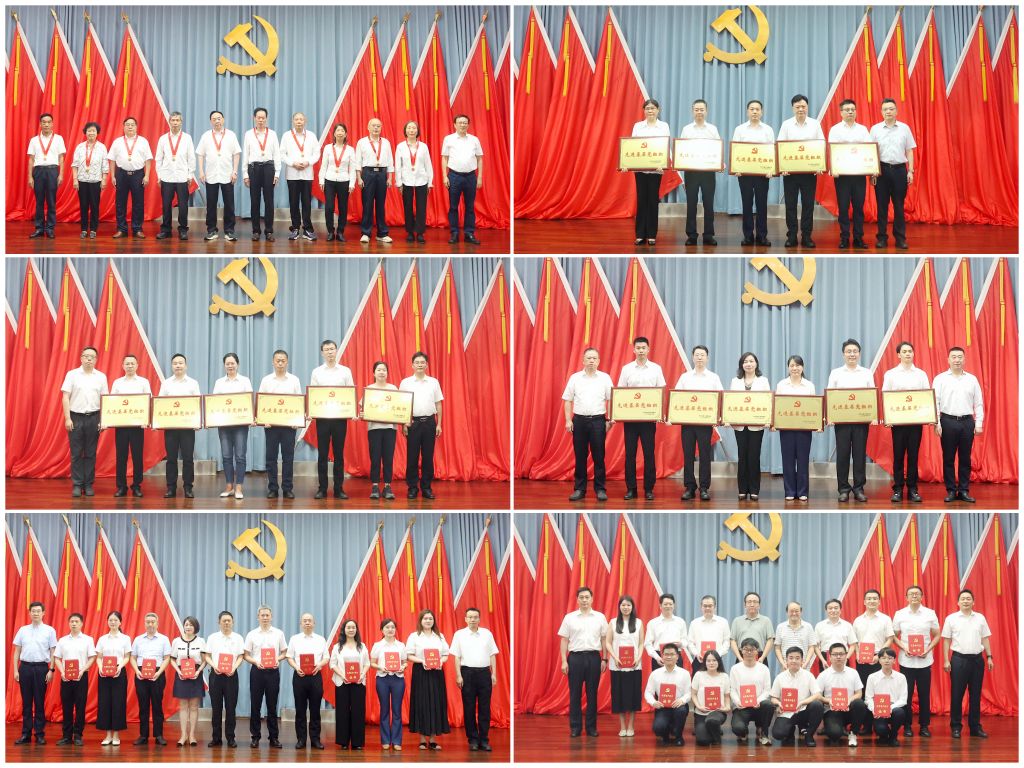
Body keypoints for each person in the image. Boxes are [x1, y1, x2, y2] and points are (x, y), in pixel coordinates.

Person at [616, 336, 666, 500]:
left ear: (648, 349)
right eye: (638, 348)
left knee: (649, 454)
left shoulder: (656, 368)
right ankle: (631, 489)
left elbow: (661, 392)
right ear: (634, 350)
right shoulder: (626, 369)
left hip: (648, 420)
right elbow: (620, 392)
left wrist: (660, 413)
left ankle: (649, 489)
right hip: (630, 420)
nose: (641, 350)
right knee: (630, 454)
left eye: (643, 348)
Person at [933, 346, 984, 503]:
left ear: (964, 359)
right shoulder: (940, 379)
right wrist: (937, 423)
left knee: (965, 458)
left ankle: (963, 490)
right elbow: (935, 402)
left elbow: (978, 403)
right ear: (948, 360)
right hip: (947, 421)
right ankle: (950, 490)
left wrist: (979, 422)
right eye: (954, 357)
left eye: (960, 357)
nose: (957, 360)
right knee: (948, 458)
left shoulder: (972, 379)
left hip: (967, 422)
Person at [941, 589, 994, 739]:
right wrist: (946, 660)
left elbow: (985, 638)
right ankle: (956, 727)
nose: (966, 601)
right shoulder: (951, 619)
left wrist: (989, 657)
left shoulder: (980, 618)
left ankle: (975, 727)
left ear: (973, 602)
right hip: (959, 660)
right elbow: (946, 641)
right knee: (957, 695)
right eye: (963, 599)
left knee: (976, 695)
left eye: (968, 598)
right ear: (958, 602)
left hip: (977, 660)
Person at [882, 341, 930, 502]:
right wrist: (888, 418)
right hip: (898, 422)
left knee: (913, 456)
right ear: (898, 355)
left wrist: (928, 416)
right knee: (898, 456)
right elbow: (886, 396)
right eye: (904, 351)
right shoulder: (891, 374)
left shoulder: (921, 374)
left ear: (913, 353)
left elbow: (926, 396)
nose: (908, 354)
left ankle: (912, 489)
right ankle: (897, 489)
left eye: (910, 351)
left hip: (916, 422)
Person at [563, 348, 613, 501]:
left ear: (598, 361)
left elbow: (612, 399)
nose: (591, 360)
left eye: (594, 358)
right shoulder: (575, 378)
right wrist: (568, 420)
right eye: (589, 358)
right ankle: (579, 489)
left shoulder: (605, 378)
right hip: (579, 421)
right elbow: (567, 400)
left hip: (598, 421)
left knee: (599, 456)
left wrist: (609, 420)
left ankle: (600, 489)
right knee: (580, 456)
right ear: (583, 360)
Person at [828, 338, 875, 502]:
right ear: (843, 354)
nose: (852, 354)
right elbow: (830, 395)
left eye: (855, 351)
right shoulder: (836, 373)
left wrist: (872, 416)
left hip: (861, 422)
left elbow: (871, 396)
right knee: (842, 455)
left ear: (859, 354)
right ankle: (843, 489)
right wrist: (830, 416)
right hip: (841, 422)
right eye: (849, 351)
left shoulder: (866, 373)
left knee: (859, 455)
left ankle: (859, 488)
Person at [558, 586, 608, 737]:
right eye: (582, 597)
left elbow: (604, 639)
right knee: (575, 694)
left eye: (587, 597)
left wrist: (604, 658)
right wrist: (563, 661)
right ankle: (575, 727)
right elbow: (564, 640)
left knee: (592, 694)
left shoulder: (600, 617)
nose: (584, 600)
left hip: (594, 658)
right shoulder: (569, 617)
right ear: (577, 600)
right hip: (575, 658)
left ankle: (591, 728)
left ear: (592, 599)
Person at [675, 345, 723, 500]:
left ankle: (704, 488)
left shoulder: (713, 377)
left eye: (702, 355)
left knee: (705, 455)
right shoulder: (685, 377)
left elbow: (720, 398)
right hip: (687, 423)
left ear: (707, 358)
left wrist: (718, 417)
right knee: (688, 455)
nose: (700, 357)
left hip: (705, 424)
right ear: (693, 357)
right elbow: (676, 397)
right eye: (697, 355)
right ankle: (689, 487)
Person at [777, 94, 824, 248]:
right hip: (790, 173)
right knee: (790, 205)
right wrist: (782, 167)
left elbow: (821, 144)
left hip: (809, 173)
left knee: (808, 205)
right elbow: (780, 145)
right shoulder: (786, 125)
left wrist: (819, 164)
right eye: (797, 107)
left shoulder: (815, 124)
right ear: (793, 108)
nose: (801, 109)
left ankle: (807, 236)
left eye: (803, 106)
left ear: (807, 107)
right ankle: (791, 236)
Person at [892, 585, 939, 738]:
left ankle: (924, 726)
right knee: (906, 695)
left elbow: (937, 635)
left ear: (922, 596)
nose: (914, 596)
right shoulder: (899, 614)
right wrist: (904, 647)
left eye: (917, 594)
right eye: (911, 594)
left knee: (924, 694)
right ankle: (907, 726)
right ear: (906, 597)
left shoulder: (930, 613)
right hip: (906, 661)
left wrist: (928, 649)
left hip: (925, 661)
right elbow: (894, 636)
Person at [61, 346, 108, 497]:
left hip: (94, 418)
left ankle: (88, 484)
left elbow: (105, 400)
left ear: (96, 359)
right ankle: (77, 484)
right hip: (75, 417)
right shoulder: (72, 374)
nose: (89, 359)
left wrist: (103, 420)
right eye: (86, 356)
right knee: (76, 453)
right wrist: (67, 418)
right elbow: (65, 397)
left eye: (92, 357)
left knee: (90, 453)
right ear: (81, 358)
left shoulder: (101, 377)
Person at [451, 607, 500, 752]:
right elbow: (456, 657)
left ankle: (484, 739)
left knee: (485, 707)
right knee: (469, 707)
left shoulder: (487, 634)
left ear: (479, 619)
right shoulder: (459, 635)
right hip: (467, 673)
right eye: (470, 617)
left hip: (484, 673)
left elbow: (492, 654)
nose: (473, 619)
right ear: (465, 619)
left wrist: (494, 673)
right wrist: (458, 675)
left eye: (475, 617)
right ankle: (472, 739)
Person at [310, 339, 354, 499]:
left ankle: (338, 488)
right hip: (322, 418)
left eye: (332, 349)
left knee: (338, 454)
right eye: (327, 349)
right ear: (322, 353)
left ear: (336, 351)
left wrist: (352, 410)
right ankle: (322, 488)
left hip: (339, 419)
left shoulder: (345, 371)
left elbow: (351, 392)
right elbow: (313, 394)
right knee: (322, 454)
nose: (330, 352)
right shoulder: (317, 372)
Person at [870, 98, 916, 249]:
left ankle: (900, 238)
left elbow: (909, 151)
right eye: (885, 109)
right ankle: (881, 238)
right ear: (881, 112)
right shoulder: (875, 129)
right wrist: (872, 172)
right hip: (881, 171)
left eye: (891, 109)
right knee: (882, 206)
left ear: (896, 111)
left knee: (899, 206)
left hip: (899, 171)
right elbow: (871, 151)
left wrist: (910, 171)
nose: (888, 111)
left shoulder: (904, 128)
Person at [12, 601, 57, 746]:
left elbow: (53, 652)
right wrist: (15, 670)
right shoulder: (23, 630)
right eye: (33, 611)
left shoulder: (50, 630)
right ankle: (25, 734)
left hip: (41, 668)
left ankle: (39, 734)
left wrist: (51, 670)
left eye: (38, 611)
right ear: (29, 613)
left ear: (43, 613)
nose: (36, 613)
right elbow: (17, 652)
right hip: (24, 668)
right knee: (26, 703)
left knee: (39, 702)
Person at [259, 349, 302, 499]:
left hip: (289, 426)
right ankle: (272, 488)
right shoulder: (266, 380)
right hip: (271, 426)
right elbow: (261, 402)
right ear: (273, 362)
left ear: (287, 362)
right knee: (271, 458)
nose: (280, 363)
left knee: (288, 458)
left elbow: (299, 402)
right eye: (277, 360)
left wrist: (297, 420)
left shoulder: (294, 380)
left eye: (283, 360)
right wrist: (263, 420)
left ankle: (287, 488)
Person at [828, 99, 871, 249]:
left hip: (859, 174)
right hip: (842, 175)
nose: (850, 112)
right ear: (841, 112)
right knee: (843, 207)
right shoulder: (835, 130)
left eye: (853, 109)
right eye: (847, 110)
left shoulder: (863, 130)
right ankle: (844, 238)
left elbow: (868, 149)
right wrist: (834, 168)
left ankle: (858, 238)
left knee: (859, 207)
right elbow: (833, 151)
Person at [400, 352, 444, 499]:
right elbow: (402, 404)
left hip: (430, 423)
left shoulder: (433, 382)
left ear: (426, 365)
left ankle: (426, 488)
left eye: (422, 362)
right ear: (412, 365)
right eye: (417, 362)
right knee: (412, 457)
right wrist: (404, 424)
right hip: (412, 423)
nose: (420, 364)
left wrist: (439, 424)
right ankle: (412, 488)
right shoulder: (405, 383)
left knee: (428, 457)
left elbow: (438, 404)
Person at [732, 99, 775, 246]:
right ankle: (748, 235)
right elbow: (735, 150)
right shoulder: (740, 129)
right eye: (752, 109)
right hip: (744, 174)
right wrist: (736, 168)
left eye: (757, 109)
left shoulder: (768, 130)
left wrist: (771, 169)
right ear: (747, 112)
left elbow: (772, 151)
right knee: (747, 204)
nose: (755, 112)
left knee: (762, 204)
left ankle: (762, 236)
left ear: (761, 112)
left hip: (763, 174)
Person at [406, 609, 451, 750]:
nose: (428, 621)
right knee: (421, 703)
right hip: (421, 672)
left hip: (436, 673)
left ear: (434, 621)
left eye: (430, 618)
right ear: (420, 620)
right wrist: (422, 661)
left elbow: (445, 655)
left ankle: (432, 739)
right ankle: (421, 739)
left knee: (435, 703)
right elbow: (409, 655)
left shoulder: (440, 636)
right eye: (425, 618)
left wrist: (440, 662)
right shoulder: (414, 636)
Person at [244, 605, 287, 748]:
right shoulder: (251, 634)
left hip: (273, 672)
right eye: (262, 615)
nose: (265, 618)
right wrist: (256, 661)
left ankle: (273, 737)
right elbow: (246, 655)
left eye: (267, 615)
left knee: (272, 706)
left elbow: (284, 652)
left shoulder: (278, 633)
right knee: (255, 705)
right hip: (257, 672)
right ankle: (255, 737)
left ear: (271, 616)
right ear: (258, 617)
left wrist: (277, 659)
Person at [729, 352, 770, 500]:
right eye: (745, 361)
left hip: (756, 425)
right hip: (739, 425)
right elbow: (730, 402)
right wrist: (728, 419)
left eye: (751, 361)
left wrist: (768, 419)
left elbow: (768, 402)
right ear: (742, 365)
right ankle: (742, 489)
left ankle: (754, 489)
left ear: (756, 363)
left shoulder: (763, 381)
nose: (748, 364)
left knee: (754, 456)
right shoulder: (735, 381)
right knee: (742, 456)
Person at [109, 354, 152, 497]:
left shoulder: (143, 382)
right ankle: (121, 487)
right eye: (127, 363)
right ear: (123, 366)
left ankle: (137, 486)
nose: (130, 366)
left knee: (137, 456)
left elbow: (149, 401)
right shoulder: (117, 383)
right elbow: (111, 402)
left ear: (137, 365)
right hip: (121, 425)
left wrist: (146, 420)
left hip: (138, 425)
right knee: (121, 457)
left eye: (132, 363)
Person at [852, 589, 895, 733]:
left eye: (874, 598)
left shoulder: (885, 619)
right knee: (864, 691)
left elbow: (890, 638)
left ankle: (880, 722)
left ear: (879, 601)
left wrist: (880, 655)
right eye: (869, 598)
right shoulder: (858, 620)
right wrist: (858, 653)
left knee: (879, 690)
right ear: (864, 601)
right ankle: (866, 725)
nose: (872, 601)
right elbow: (854, 641)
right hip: (862, 660)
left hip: (879, 658)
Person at [629, 99, 670, 246]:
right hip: (640, 169)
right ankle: (640, 234)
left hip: (656, 170)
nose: (650, 111)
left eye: (653, 108)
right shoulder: (638, 126)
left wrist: (664, 164)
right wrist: (627, 164)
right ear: (644, 111)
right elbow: (632, 146)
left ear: (658, 110)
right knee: (641, 201)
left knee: (653, 201)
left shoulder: (664, 126)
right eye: (647, 108)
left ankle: (652, 235)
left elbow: (666, 146)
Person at [195, 109, 241, 241]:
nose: (217, 121)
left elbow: (236, 153)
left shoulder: (231, 135)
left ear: (223, 120)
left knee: (229, 204)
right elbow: (200, 154)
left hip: (227, 175)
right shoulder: (206, 136)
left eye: (219, 118)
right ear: (210, 121)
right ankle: (211, 230)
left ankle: (229, 231)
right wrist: (201, 171)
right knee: (211, 204)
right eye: (214, 119)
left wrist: (235, 171)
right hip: (211, 175)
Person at [159, 353, 201, 498]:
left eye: (180, 363)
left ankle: (188, 487)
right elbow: (160, 404)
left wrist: (198, 422)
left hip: (187, 428)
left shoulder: (193, 383)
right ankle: (171, 488)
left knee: (188, 458)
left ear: (186, 365)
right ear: (172, 366)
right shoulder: (166, 383)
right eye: (175, 363)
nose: (178, 365)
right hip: (170, 427)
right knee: (171, 459)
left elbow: (198, 404)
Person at [680, 98, 720, 246]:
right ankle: (691, 235)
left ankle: (708, 235)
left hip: (708, 172)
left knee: (709, 204)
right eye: (696, 109)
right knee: (691, 204)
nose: (699, 112)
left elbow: (718, 149)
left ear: (706, 111)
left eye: (701, 109)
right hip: (691, 172)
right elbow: (681, 150)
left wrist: (719, 163)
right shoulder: (686, 129)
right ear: (692, 111)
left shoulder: (712, 129)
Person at [775, 355, 815, 501]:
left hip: (804, 429)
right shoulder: (782, 385)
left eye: (798, 365)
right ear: (788, 368)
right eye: (792, 365)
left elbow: (814, 407)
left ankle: (803, 491)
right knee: (788, 460)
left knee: (803, 460)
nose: (795, 368)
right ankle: (790, 491)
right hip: (786, 428)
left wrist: (816, 423)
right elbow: (777, 406)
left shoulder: (809, 385)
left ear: (802, 367)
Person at [286, 613, 328, 749]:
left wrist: (320, 665)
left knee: (315, 709)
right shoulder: (294, 639)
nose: (307, 622)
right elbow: (289, 657)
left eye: (310, 620)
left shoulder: (321, 639)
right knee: (300, 709)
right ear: (301, 624)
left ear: (314, 623)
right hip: (300, 676)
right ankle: (301, 739)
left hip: (315, 676)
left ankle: (315, 739)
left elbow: (326, 657)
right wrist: (296, 667)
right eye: (305, 621)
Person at [213, 352, 252, 499]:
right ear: (224, 365)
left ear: (237, 364)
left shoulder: (245, 381)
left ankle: (239, 487)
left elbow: (249, 401)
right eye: (227, 364)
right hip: (224, 424)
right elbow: (214, 403)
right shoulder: (219, 382)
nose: (230, 366)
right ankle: (229, 486)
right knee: (226, 456)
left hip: (240, 424)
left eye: (232, 363)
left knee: (240, 456)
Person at [203, 610, 244, 748]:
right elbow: (207, 656)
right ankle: (216, 738)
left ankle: (231, 738)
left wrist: (234, 667)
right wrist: (214, 665)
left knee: (231, 708)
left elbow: (241, 656)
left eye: (229, 620)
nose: (226, 623)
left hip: (231, 676)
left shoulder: (238, 638)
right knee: (216, 708)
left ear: (233, 622)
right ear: (219, 622)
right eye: (224, 620)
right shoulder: (212, 638)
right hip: (216, 675)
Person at [54, 612, 96, 746]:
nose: (74, 623)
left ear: (81, 623)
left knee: (80, 706)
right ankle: (66, 736)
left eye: (76, 621)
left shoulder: (88, 640)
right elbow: (57, 658)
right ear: (68, 623)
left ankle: (78, 735)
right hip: (66, 678)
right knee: (66, 707)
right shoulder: (62, 640)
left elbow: (92, 657)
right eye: (71, 621)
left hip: (81, 677)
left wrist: (82, 670)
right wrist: (62, 672)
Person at [130, 612, 171, 746]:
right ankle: (143, 735)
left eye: (153, 622)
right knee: (143, 706)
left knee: (157, 705)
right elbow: (133, 658)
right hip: (141, 673)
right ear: (144, 624)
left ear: (157, 624)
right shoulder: (138, 639)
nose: (150, 624)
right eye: (148, 622)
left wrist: (158, 672)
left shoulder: (164, 639)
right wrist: (137, 671)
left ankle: (159, 735)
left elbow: (167, 658)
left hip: (157, 673)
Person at [441, 114, 483, 245]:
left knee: (470, 207)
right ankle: (454, 233)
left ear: (468, 125)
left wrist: (479, 177)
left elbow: (479, 158)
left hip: (471, 177)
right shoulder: (448, 139)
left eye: (465, 123)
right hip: (454, 176)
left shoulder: (474, 140)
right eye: (460, 122)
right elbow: (444, 158)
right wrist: (444, 176)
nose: (463, 125)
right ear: (455, 124)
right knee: (453, 206)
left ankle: (469, 233)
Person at [605, 596, 644, 738]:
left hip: (634, 665)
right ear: (619, 607)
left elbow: (641, 643)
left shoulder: (639, 623)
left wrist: (638, 657)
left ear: (632, 607)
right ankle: (622, 726)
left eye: (628, 605)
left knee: (634, 695)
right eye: (623, 605)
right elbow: (608, 642)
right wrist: (615, 657)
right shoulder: (613, 622)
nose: (626, 607)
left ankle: (631, 726)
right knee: (619, 695)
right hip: (618, 666)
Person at [107, 117, 152, 238]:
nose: (130, 127)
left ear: (136, 127)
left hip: (138, 175)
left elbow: (148, 159)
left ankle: (137, 229)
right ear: (124, 127)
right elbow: (112, 160)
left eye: (132, 124)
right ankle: (121, 229)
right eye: (127, 124)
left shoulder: (143, 141)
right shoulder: (117, 142)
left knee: (138, 203)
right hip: (121, 174)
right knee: (120, 203)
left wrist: (147, 175)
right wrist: (113, 176)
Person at [154, 111, 196, 240]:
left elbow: (191, 158)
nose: (175, 123)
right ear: (169, 122)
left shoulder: (187, 138)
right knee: (166, 205)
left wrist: (190, 175)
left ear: (181, 122)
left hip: (182, 177)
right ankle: (166, 230)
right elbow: (158, 159)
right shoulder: (163, 139)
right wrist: (159, 176)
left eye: (178, 120)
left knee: (183, 206)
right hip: (166, 177)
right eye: (173, 120)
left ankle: (183, 229)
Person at [815, 642, 866, 746]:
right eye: (835, 654)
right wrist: (829, 701)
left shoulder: (853, 673)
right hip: (832, 710)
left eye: (841, 654)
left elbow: (859, 693)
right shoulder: (823, 675)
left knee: (859, 703)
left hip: (849, 709)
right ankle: (836, 727)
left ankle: (853, 733)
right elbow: (817, 695)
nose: (838, 657)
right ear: (830, 657)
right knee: (835, 735)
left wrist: (849, 700)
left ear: (846, 655)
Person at [770, 646, 824, 746]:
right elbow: (773, 697)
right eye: (791, 658)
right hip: (786, 712)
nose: (794, 661)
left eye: (797, 658)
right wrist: (778, 703)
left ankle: (809, 734)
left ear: (802, 661)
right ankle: (790, 730)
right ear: (786, 660)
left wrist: (803, 702)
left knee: (817, 705)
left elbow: (817, 694)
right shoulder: (780, 677)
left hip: (803, 711)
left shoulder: (808, 675)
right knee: (778, 734)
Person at [331, 618, 371, 750]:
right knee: (342, 711)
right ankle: (343, 741)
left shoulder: (362, 646)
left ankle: (357, 742)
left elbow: (367, 663)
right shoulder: (337, 647)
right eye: (348, 627)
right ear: (344, 630)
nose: (351, 630)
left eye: (353, 627)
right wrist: (343, 675)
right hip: (341, 682)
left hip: (358, 682)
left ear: (356, 630)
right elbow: (332, 664)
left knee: (358, 712)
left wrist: (362, 675)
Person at [242, 107, 281, 241]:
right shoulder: (248, 134)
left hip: (269, 168)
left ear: (266, 118)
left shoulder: (272, 134)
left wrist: (277, 173)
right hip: (254, 168)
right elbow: (246, 155)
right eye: (258, 117)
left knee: (269, 200)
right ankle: (256, 231)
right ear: (254, 118)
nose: (261, 120)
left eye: (263, 118)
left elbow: (277, 154)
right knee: (255, 200)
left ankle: (269, 231)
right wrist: (245, 174)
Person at [280, 111, 319, 241]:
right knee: (294, 202)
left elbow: (317, 153)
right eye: (296, 119)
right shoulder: (287, 136)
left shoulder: (311, 136)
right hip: (292, 174)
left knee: (306, 202)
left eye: (301, 119)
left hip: (307, 174)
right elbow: (282, 154)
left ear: (305, 121)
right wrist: (293, 163)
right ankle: (295, 228)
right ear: (293, 121)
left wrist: (308, 162)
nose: (299, 121)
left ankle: (307, 229)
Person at [370, 617, 408, 751]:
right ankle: (385, 740)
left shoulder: (401, 645)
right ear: (382, 630)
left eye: (392, 627)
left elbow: (405, 662)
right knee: (384, 710)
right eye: (387, 627)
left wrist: (403, 667)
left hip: (398, 679)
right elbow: (372, 663)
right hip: (382, 679)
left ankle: (397, 741)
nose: (390, 629)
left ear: (395, 629)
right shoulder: (377, 645)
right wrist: (380, 667)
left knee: (397, 711)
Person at [94, 610, 131, 746]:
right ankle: (108, 735)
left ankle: (116, 735)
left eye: (115, 620)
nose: (113, 622)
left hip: (119, 673)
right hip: (104, 674)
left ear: (120, 622)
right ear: (107, 622)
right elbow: (99, 657)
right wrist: (100, 668)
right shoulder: (102, 639)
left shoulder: (125, 639)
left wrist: (119, 667)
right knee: (105, 703)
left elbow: (127, 657)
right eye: (110, 620)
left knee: (118, 703)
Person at [26, 112, 66, 239]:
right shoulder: (34, 140)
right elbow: (31, 159)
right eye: (44, 122)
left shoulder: (58, 139)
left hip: (52, 171)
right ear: (40, 124)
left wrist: (61, 174)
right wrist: (30, 176)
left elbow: (61, 158)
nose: (46, 124)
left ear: (52, 124)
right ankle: (39, 228)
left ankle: (49, 228)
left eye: (49, 122)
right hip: (38, 171)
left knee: (51, 201)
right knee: (39, 201)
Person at [355, 118, 394, 243]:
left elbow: (390, 161)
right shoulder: (362, 142)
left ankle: (382, 233)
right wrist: (359, 178)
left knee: (381, 204)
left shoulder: (386, 142)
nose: (376, 128)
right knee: (367, 204)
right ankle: (366, 233)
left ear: (381, 128)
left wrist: (390, 177)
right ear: (368, 127)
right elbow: (358, 162)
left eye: (378, 126)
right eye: (373, 125)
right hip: (368, 173)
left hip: (382, 174)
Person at [363, 361, 398, 499]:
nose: (381, 372)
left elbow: (400, 405)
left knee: (388, 457)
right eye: (379, 370)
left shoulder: (393, 388)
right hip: (374, 428)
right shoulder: (369, 389)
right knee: (375, 457)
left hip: (390, 428)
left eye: (384, 370)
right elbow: (363, 407)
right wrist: (362, 412)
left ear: (387, 373)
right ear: (374, 373)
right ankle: (375, 486)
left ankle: (388, 486)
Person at [729, 639, 774, 745]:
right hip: (741, 707)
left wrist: (757, 700)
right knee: (738, 729)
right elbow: (732, 689)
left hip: (758, 705)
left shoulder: (764, 669)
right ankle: (743, 731)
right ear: (741, 651)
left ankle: (763, 732)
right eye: (746, 649)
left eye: (752, 649)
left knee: (768, 704)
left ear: (757, 651)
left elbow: (767, 690)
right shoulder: (735, 669)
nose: (749, 652)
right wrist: (738, 701)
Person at [643, 643, 691, 745]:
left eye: (672, 654)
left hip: (678, 706)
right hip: (662, 707)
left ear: (677, 656)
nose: (669, 657)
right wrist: (653, 702)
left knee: (681, 711)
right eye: (666, 654)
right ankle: (665, 735)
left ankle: (678, 736)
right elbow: (648, 692)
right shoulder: (655, 674)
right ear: (662, 656)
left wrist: (682, 700)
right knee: (658, 728)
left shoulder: (684, 673)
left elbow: (689, 693)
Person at [169, 616, 205, 747]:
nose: (188, 627)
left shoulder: (201, 641)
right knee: (183, 706)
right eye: (186, 624)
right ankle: (183, 735)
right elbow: (172, 659)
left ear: (195, 627)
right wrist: (178, 671)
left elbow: (205, 660)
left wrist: (198, 671)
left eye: (191, 625)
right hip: (181, 674)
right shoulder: (176, 641)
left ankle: (192, 735)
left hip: (196, 674)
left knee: (194, 706)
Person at [395, 120, 433, 243]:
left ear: (417, 131)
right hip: (406, 181)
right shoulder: (400, 146)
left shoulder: (423, 146)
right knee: (408, 207)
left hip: (422, 180)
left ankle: (420, 233)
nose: (411, 130)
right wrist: (399, 183)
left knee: (421, 207)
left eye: (414, 128)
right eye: (409, 128)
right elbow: (398, 165)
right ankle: (410, 232)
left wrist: (430, 182)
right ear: (405, 131)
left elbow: (428, 165)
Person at [318, 123, 355, 242]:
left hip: (344, 181)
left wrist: (352, 183)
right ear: (334, 133)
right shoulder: (328, 148)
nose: (340, 133)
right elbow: (323, 165)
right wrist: (321, 180)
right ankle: (330, 231)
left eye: (342, 131)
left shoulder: (350, 150)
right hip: (329, 180)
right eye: (338, 130)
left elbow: (352, 168)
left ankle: (340, 232)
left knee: (343, 208)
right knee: (329, 207)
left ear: (345, 134)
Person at [70, 121, 107, 238]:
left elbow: (105, 165)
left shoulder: (102, 147)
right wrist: (75, 179)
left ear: (97, 133)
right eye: (89, 131)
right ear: (85, 132)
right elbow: (74, 165)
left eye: (93, 131)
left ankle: (94, 230)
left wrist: (104, 179)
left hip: (96, 181)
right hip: (82, 181)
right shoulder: (80, 147)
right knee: (83, 206)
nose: (91, 133)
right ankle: (84, 229)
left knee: (95, 206)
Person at [865, 648, 909, 745]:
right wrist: (874, 709)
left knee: (900, 713)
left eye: (890, 658)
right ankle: (884, 735)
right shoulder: (872, 677)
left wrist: (890, 708)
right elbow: (868, 698)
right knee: (880, 729)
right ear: (879, 660)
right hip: (878, 710)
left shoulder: (901, 677)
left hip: (894, 709)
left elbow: (903, 699)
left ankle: (893, 735)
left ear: (894, 660)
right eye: (883, 658)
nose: (887, 660)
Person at [692, 649, 731, 746]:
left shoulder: (724, 676)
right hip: (701, 712)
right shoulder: (698, 675)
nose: (711, 663)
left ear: (719, 661)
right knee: (702, 740)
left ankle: (717, 738)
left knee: (712, 721)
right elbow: (693, 694)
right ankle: (712, 729)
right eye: (708, 661)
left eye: (714, 660)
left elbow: (726, 696)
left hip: (718, 712)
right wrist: (699, 706)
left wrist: (727, 707)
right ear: (704, 662)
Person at [644, 593, 688, 671]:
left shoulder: (680, 622)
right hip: (659, 657)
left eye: (670, 604)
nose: (668, 606)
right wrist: (656, 657)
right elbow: (647, 644)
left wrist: (681, 644)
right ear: (660, 606)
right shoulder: (653, 623)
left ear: (674, 605)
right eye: (665, 604)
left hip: (676, 656)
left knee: (677, 678)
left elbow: (685, 640)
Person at [688, 595, 731, 673]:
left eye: (710, 606)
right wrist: (696, 654)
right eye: (705, 606)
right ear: (701, 607)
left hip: (717, 661)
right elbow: (690, 642)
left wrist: (718, 654)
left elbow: (727, 641)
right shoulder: (694, 623)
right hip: (699, 660)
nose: (707, 608)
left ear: (715, 607)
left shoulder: (723, 622)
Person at [729, 592, 774, 664]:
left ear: (759, 605)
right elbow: (732, 640)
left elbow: (770, 640)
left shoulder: (766, 621)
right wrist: (739, 657)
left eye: (755, 602)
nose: (752, 604)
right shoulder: (737, 621)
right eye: (749, 602)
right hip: (742, 656)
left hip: (760, 657)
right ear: (745, 605)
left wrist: (762, 657)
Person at [813, 599, 857, 669]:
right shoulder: (819, 625)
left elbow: (853, 645)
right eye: (830, 608)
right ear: (826, 610)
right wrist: (822, 660)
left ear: (840, 610)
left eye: (836, 608)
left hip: (842, 656)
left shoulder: (847, 625)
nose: (833, 610)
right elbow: (815, 646)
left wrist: (846, 658)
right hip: (825, 658)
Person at [774, 602, 818, 669]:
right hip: (786, 667)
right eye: (791, 611)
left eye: (796, 611)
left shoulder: (808, 626)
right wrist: (782, 663)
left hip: (804, 667)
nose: (794, 613)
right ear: (787, 612)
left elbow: (811, 647)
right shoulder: (780, 627)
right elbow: (777, 648)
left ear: (801, 612)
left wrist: (805, 663)